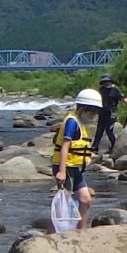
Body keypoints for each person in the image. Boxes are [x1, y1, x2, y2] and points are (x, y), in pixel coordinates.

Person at [54, 88, 103, 229]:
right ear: (81, 109)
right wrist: (62, 171)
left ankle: (81, 232)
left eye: (95, 112)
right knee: (64, 206)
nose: (93, 115)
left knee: (86, 200)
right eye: (91, 111)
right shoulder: (72, 122)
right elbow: (65, 147)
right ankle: (51, 235)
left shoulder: (81, 123)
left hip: (75, 168)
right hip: (66, 167)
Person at [96, 77, 126, 157]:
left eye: (108, 81)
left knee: (109, 129)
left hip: (112, 112)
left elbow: (122, 98)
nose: (106, 83)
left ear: (111, 81)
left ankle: (114, 145)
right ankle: (95, 147)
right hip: (102, 111)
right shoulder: (101, 89)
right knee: (99, 129)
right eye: (105, 81)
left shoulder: (116, 89)